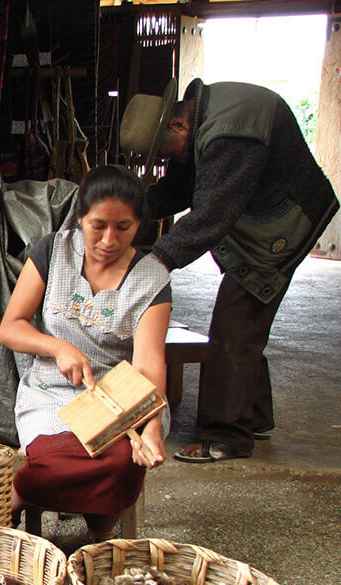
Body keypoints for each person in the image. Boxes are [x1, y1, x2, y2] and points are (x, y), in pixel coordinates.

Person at [119, 78, 339, 463]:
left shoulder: (229, 136)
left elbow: (212, 214)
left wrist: (155, 263)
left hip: (286, 221)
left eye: (166, 150)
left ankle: (227, 436)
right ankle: (254, 415)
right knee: (245, 321)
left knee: (233, 326)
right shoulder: (203, 119)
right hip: (266, 214)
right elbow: (179, 188)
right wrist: (126, 213)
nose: (169, 158)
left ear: (177, 126)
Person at [0, 165, 171, 540]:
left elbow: (148, 363)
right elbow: (11, 327)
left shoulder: (152, 278)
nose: (109, 239)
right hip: (51, 392)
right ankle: (22, 493)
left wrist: (152, 425)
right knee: (50, 461)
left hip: (122, 397)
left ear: (138, 225)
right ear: (80, 219)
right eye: (98, 225)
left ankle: (99, 534)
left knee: (121, 461)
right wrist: (57, 346)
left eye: (123, 228)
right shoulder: (52, 252)